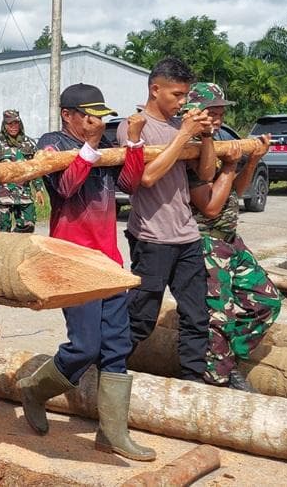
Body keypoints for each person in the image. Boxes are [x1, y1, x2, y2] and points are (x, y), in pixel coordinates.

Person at [16, 84, 155, 461]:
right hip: (71, 262)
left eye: (100, 116)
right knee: (85, 346)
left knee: (117, 349)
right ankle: (35, 389)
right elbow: (64, 187)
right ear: (68, 114)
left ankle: (112, 434)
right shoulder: (52, 142)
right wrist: (90, 146)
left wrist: (134, 143)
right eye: (88, 116)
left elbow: (129, 183)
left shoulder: (104, 140)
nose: (96, 122)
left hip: (108, 260)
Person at [116, 57, 216, 382]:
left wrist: (207, 137)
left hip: (186, 236)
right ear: (155, 89)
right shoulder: (133, 126)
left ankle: (193, 382)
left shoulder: (179, 127)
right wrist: (184, 135)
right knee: (141, 317)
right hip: (151, 237)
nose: (183, 102)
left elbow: (205, 173)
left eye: (185, 95)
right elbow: (145, 178)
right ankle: (107, 372)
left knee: (197, 315)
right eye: (176, 94)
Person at [182, 83, 281, 392]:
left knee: (267, 300)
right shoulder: (187, 147)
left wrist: (249, 161)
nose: (218, 118)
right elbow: (209, 207)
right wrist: (229, 167)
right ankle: (217, 379)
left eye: (221, 112)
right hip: (205, 240)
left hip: (229, 238)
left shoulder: (220, 140)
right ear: (193, 111)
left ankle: (228, 358)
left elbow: (237, 192)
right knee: (217, 314)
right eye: (212, 112)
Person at [0, 110, 46, 233]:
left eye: (16, 123)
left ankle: (17, 248)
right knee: (1, 232)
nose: (13, 127)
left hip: (24, 195)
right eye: (10, 124)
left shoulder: (29, 143)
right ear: (4, 125)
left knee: (28, 226)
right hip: (2, 197)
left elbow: (35, 168)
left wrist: (39, 189)